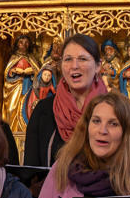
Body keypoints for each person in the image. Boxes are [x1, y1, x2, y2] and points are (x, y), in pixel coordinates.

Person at [23, 33, 107, 170]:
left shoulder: (114, 110)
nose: (74, 66)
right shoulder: (43, 111)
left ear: (98, 66)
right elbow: (31, 172)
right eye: (68, 59)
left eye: (82, 59)